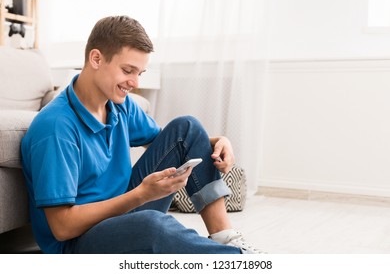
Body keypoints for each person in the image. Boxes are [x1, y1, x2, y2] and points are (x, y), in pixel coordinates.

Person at [21, 15, 261, 254]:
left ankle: (225, 237)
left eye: (140, 73)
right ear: (96, 58)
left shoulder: (118, 104)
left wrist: (217, 142)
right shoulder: (55, 128)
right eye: (128, 70)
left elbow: (176, 142)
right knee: (154, 226)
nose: (134, 82)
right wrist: (140, 196)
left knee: (188, 127)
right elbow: (63, 227)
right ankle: (238, 261)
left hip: (122, 210)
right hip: (77, 243)